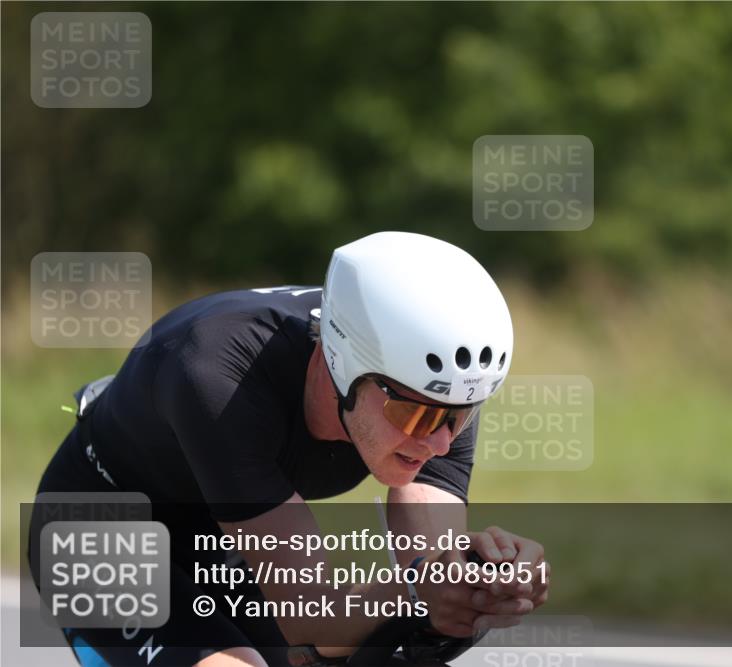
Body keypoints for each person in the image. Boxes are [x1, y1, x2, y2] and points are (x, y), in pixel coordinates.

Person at [28, 232, 548, 667]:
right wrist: (415, 591)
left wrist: (476, 583)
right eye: (414, 415)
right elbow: (312, 618)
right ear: (342, 365)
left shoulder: (435, 385)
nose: (439, 441)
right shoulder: (218, 378)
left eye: (462, 415)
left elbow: (429, 573)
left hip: (222, 533)